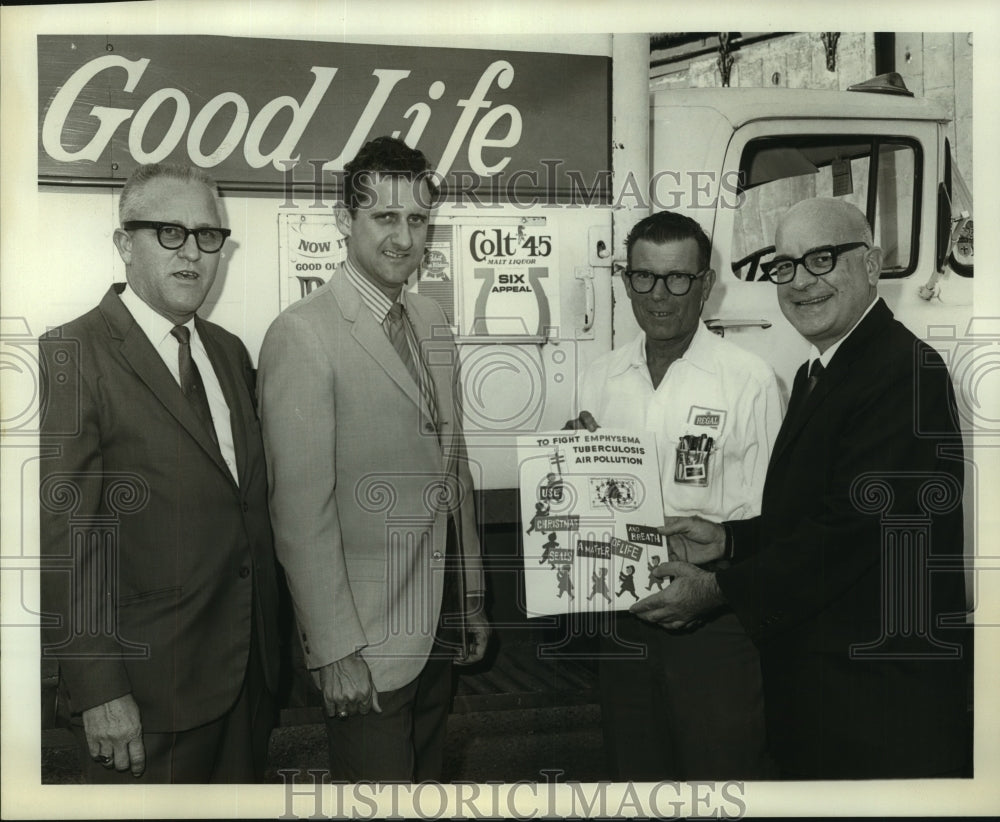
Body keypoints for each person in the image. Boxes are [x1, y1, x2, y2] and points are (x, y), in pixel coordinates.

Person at [636, 198, 970, 779]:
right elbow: (818, 513)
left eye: (821, 259)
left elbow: (851, 536)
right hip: (830, 688)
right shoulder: (819, 370)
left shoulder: (905, 372)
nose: (800, 283)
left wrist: (719, 589)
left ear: (871, 263)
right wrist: (728, 539)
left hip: (878, 700)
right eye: (785, 266)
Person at [38, 163, 281, 783]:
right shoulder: (70, 355)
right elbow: (64, 540)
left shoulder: (229, 351)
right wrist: (98, 690)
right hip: (142, 703)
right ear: (124, 244)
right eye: (168, 233)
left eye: (207, 236)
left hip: (245, 677)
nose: (193, 252)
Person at [257, 136, 489, 782]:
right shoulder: (302, 334)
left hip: (437, 625)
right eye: (385, 218)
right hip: (366, 647)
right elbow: (300, 516)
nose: (404, 237)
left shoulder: (433, 319)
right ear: (344, 221)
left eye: (417, 220)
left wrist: (469, 596)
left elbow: (454, 468)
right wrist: (334, 651)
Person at [567, 210, 782, 780]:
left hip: (715, 624)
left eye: (678, 278)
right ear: (625, 280)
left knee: (721, 781)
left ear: (706, 285)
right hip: (624, 618)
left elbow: (775, 523)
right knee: (635, 776)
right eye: (644, 277)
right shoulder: (599, 378)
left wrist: (718, 587)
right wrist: (567, 467)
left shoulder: (750, 380)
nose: (659, 296)